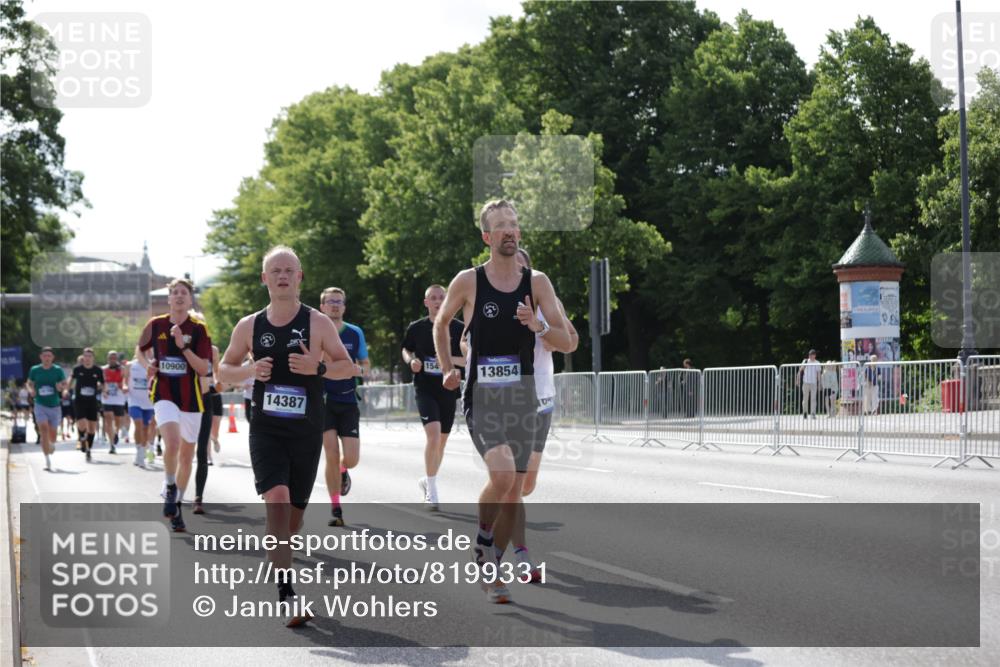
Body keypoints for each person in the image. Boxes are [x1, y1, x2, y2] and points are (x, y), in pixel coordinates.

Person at [433, 200, 571, 604]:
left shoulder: (538, 283)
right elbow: (442, 323)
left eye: (514, 225)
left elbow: (565, 341)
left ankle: (489, 556)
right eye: (500, 226)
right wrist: (446, 368)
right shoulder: (470, 280)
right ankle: (484, 543)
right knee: (504, 475)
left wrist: (538, 325)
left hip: (524, 399)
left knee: (514, 489)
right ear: (487, 237)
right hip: (483, 397)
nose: (509, 231)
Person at [217, 246, 353, 627]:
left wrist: (319, 366)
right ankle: (287, 593)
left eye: (288, 270)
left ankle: (280, 547)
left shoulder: (318, 323)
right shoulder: (249, 326)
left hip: (306, 431)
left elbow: (348, 367)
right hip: (266, 429)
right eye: (274, 270)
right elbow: (223, 370)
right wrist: (247, 369)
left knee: (291, 522)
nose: (281, 276)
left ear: (299, 278)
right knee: (276, 502)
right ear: (264, 279)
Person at [508, 248, 578, 582]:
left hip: (542, 399)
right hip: (506, 400)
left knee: (527, 484)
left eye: (522, 266)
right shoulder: (485, 295)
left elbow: (571, 341)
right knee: (515, 479)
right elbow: (465, 343)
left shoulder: (546, 299)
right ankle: (521, 555)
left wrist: (541, 329)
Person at [136, 277, 213, 532]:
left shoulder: (199, 329)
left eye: (184, 293)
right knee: (172, 443)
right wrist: (148, 366)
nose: (179, 296)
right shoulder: (155, 324)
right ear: (169, 298)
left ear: (190, 299)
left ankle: (177, 505)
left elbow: (204, 368)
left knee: (187, 457)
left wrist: (183, 347)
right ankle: (170, 486)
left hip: (192, 399)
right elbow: (139, 349)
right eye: (175, 293)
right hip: (164, 393)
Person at [402, 284, 466, 511]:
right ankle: (432, 490)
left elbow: (468, 359)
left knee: (442, 441)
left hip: (448, 389)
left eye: (442, 297)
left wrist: (447, 360)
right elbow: (406, 349)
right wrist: (411, 361)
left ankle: (427, 479)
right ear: (426, 302)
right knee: (433, 434)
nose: (438, 301)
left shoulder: (459, 328)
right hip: (425, 388)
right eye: (433, 298)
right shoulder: (417, 328)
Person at [318, 287, 371, 528]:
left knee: (351, 459)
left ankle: (342, 469)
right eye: (330, 302)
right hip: (324, 400)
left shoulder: (354, 332)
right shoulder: (314, 331)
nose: (335, 305)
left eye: (339, 302)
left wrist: (359, 371)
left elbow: (365, 363)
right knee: (329, 452)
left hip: (348, 400)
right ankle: (335, 508)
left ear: (344, 307)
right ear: (322, 307)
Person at [192, 344, 222, 514]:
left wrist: (219, 383)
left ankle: (198, 498)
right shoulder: (181, 346)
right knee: (183, 451)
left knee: (201, 450)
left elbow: (217, 373)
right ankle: (171, 485)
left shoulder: (213, 350)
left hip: (206, 398)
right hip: (184, 400)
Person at [27, 347, 68, 471]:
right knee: (43, 430)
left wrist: (61, 388)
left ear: (52, 358)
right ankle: (47, 460)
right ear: (41, 357)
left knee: (53, 436)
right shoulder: (35, 370)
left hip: (54, 406)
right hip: (40, 404)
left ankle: (51, 445)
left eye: (49, 356)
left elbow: (64, 384)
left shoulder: (57, 370)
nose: (47, 358)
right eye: (44, 356)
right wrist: (31, 390)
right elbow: (29, 382)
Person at [70, 348, 103, 462]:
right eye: (85, 356)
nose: (87, 358)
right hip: (79, 400)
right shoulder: (78, 369)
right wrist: (66, 389)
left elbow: (103, 383)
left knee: (92, 428)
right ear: (83, 357)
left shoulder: (97, 370)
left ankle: (89, 448)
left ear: (93, 358)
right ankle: (82, 438)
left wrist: (104, 389)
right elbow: (71, 379)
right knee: (82, 423)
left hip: (92, 401)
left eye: (89, 356)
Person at [126, 352, 155, 468]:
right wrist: (124, 386)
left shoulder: (153, 365)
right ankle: (139, 451)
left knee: (145, 428)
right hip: (134, 400)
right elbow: (124, 379)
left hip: (148, 402)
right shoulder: (130, 365)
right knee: (138, 424)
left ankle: (142, 451)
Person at [101, 351, 127, 453]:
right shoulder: (103, 369)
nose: (112, 360)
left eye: (114, 358)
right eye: (110, 358)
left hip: (119, 399)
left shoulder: (122, 369)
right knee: (108, 418)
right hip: (107, 398)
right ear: (108, 359)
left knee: (117, 421)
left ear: (117, 359)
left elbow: (126, 380)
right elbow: (99, 381)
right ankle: (111, 445)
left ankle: (116, 433)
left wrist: (121, 384)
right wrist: (103, 389)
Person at [797, 349, 821, 419]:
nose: (811, 356)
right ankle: (805, 412)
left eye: (812, 355)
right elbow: (800, 370)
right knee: (805, 398)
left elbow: (818, 374)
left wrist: (819, 383)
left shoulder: (817, 363)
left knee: (813, 399)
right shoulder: (805, 361)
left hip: (814, 383)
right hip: (806, 382)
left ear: (815, 355)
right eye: (810, 355)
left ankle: (813, 413)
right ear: (809, 355)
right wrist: (798, 380)